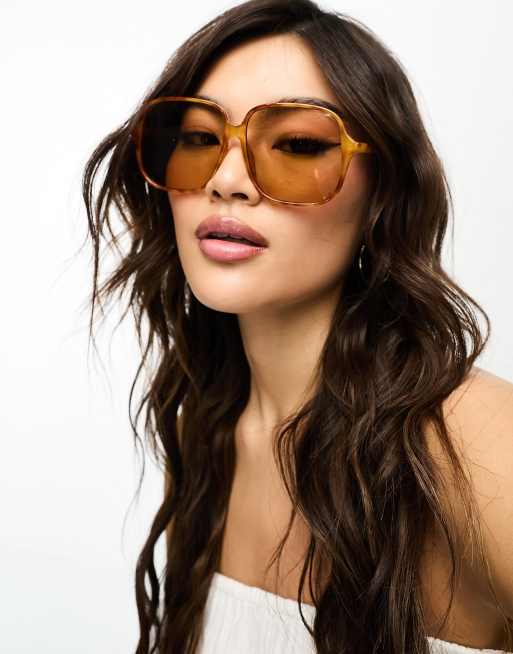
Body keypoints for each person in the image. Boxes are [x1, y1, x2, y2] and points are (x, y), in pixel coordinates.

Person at [82, 1, 513, 652]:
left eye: (298, 145)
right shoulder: (205, 435)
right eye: (196, 139)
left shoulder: (469, 443)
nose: (227, 180)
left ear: (382, 194)